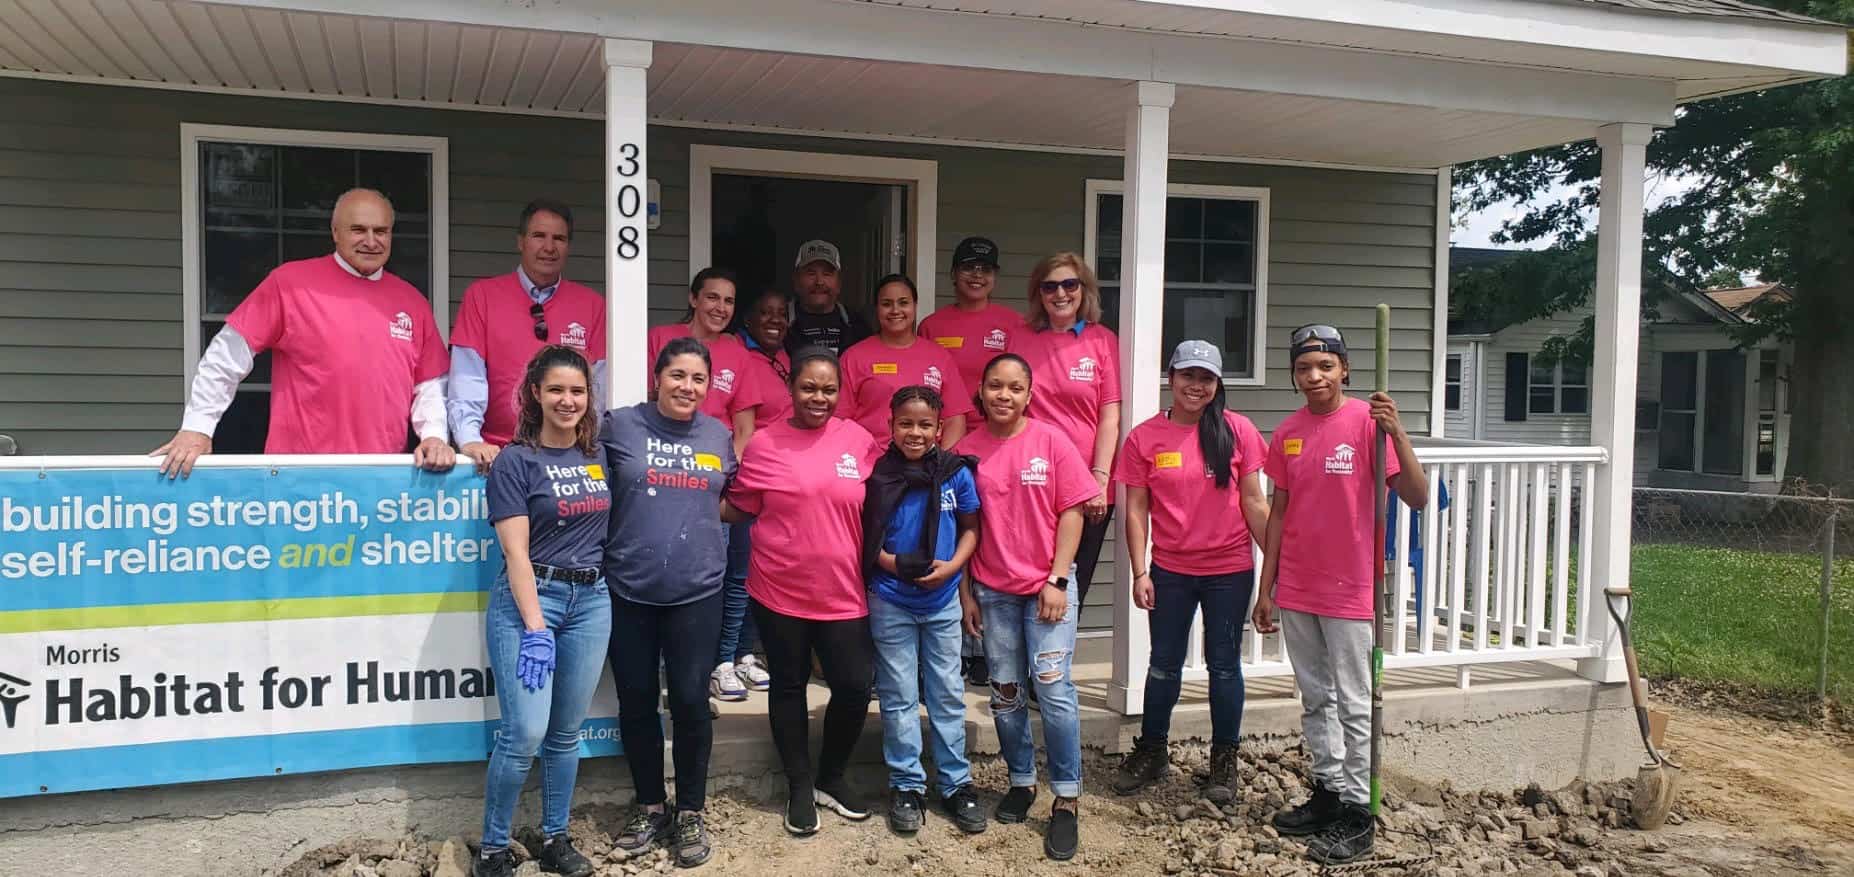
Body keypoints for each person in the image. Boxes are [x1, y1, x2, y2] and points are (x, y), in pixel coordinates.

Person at [1253, 324, 1429, 866]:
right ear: (1294, 375)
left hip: (1352, 586)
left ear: (1344, 369)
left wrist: (1396, 432)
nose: (1315, 377)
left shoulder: (1368, 424)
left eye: (1325, 367)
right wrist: (1268, 586)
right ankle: (1328, 792)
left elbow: (1417, 497)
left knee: (1355, 700)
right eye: (1305, 368)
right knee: (1315, 697)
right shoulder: (1288, 434)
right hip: (1299, 585)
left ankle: (1359, 809)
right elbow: (1278, 513)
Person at [152, 188, 453, 476]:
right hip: (298, 477)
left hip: (382, 475)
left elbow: (430, 385)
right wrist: (197, 428)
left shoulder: (412, 302)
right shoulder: (291, 283)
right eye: (358, 230)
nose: (371, 241)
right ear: (335, 232)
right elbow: (226, 356)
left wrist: (435, 435)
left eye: (381, 231)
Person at [721, 349, 882, 836]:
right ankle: (798, 783)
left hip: (844, 591)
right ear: (791, 388)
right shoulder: (766, 444)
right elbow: (739, 507)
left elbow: (885, 498)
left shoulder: (859, 441)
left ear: (840, 392)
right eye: (809, 387)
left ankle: (830, 776)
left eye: (828, 389)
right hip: (779, 589)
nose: (819, 397)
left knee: (854, 686)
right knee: (788, 685)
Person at [954, 353, 1099, 862]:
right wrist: (967, 592)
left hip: (1047, 589)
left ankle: (1066, 796)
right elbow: (964, 529)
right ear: (982, 390)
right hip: (992, 592)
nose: (1004, 396)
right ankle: (1021, 781)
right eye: (995, 386)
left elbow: (1073, 510)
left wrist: (1058, 579)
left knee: (1054, 689)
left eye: (1015, 387)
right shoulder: (966, 452)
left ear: (1028, 394)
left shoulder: (1053, 442)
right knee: (1006, 692)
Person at [475, 346, 613, 877]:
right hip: (532, 602)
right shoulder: (516, 461)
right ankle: (492, 848)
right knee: (525, 732)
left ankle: (555, 837)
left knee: (565, 732)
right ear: (535, 393)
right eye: (556, 389)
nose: (567, 400)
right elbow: (515, 553)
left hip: (591, 601)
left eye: (577, 391)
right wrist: (536, 629)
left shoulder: (598, 455)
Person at [1111, 340, 1270, 801]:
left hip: (1230, 570)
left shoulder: (1237, 431)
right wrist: (1140, 571)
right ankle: (1153, 750)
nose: (1195, 386)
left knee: (1224, 666)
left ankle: (1224, 761)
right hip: (1171, 571)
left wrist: (1276, 569)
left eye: (1206, 378)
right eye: (1187, 376)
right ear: (1171, 378)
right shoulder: (1145, 438)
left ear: (1217, 383)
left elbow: (1255, 501)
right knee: (1162, 666)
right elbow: (1136, 510)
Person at [601, 337, 737, 868]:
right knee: (636, 700)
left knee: (688, 701)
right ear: (657, 378)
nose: (687, 386)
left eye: (698, 379)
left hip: (697, 591)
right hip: (628, 589)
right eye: (678, 375)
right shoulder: (620, 426)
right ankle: (650, 805)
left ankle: (691, 812)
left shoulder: (717, 434)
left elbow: (733, 499)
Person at [859, 386, 987, 836]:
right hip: (891, 597)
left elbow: (971, 528)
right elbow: (866, 537)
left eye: (925, 425)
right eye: (906, 424)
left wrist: (951, 567)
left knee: (947, 692)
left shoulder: (955, 474)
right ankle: (907, 785)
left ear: (939, 429)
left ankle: (955, 784)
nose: (915, 432)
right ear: (890, 425)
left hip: (942, 599)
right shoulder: (877, 475)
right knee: (897, 695)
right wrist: (894, 564)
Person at [449, 199, 608, 473]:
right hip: (497, 455)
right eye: (539, 236)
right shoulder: (483, 296)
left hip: (568, 458)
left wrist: (586, 446)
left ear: (568, 246)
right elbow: (467, 377)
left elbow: (600, 389)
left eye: (559, 238)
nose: (549, 247)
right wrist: (470, 440)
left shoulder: (593, 305)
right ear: (520, 242)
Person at [1012, 253, 1120, 615]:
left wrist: (1100, 478)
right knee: (1031, 578)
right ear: (1038, 294)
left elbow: (1109, 414)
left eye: (1070, 284)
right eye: (1050, 286)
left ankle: (1056, 667)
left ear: (1083, 290)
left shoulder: (1102, 340)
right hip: (1034, 478)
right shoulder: (1020, 339)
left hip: (1087, 482)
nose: (1060, 293)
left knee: (1076, 580)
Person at [839, 274, 973, 448]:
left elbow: (955, 418)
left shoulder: (939, 356)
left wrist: (942, 466)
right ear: (876, 309)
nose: (895, 310)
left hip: (927, 467)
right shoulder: (853, 357)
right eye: (887, 304)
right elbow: (840, 421)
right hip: (871, 464)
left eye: (903, 303)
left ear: (915, 306)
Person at [645, 268, 763, 458]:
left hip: (714, 456)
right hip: (660, 449)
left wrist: (727, 471)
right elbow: (643, 399)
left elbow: (744, 429)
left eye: (729, 301)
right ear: (693, 299)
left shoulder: (739, 355)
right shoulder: (660, 337)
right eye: (712, 297)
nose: (721, 308)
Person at [919, 236, 1024, 394]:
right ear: (954, 273)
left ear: (994, 277)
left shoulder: (1014, 323)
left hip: (996, 418)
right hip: (945, 418)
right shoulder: (931, 326)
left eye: (986, 269)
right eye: (969, 267)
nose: (977, 274)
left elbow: (1024, 380)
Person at [783, 240, 871, 357]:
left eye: (827, 274)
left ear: (839, 282)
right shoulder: (779, 323)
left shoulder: (857, 325)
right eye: (811, 273)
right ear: (796, 280)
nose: (819, 282)